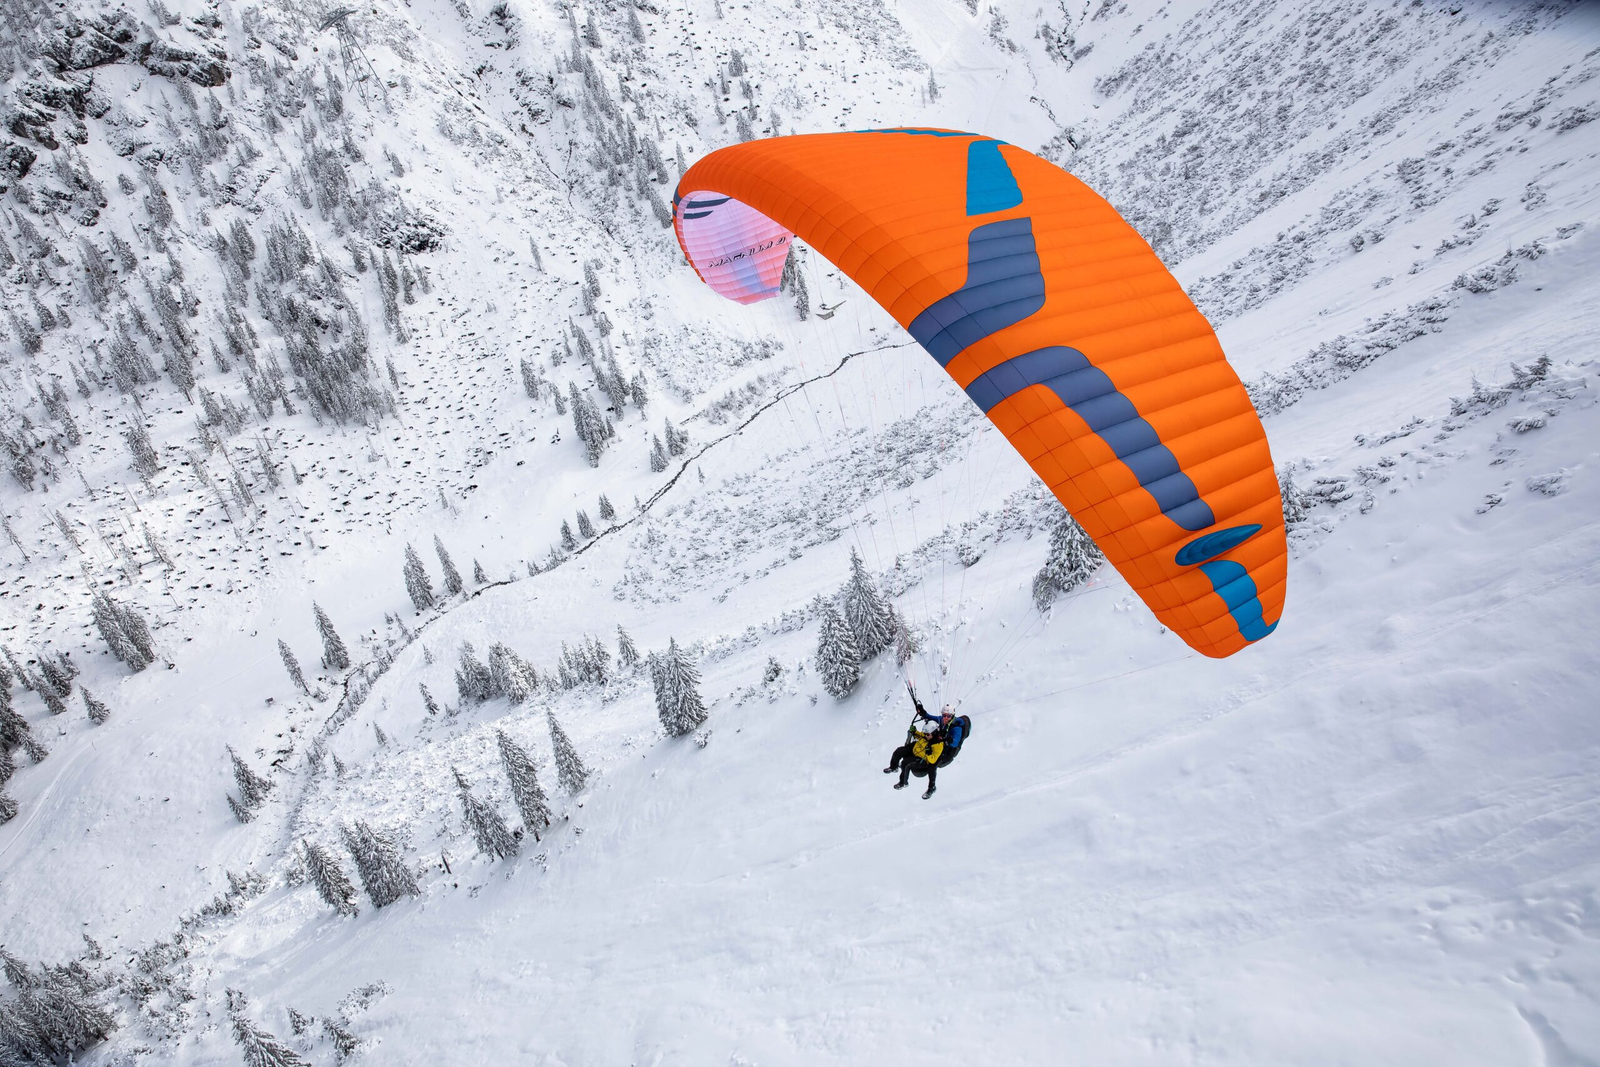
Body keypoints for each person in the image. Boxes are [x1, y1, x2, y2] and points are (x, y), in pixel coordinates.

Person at [882, 684, 955, 799]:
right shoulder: (934, 727)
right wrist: (915, 731)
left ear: (952, 716)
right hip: (918, 749)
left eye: (948, 716)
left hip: (926, 756)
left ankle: (908, 783)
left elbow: (934, 758)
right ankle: (893, 766)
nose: (945, 717)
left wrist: (947, 741)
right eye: (944, 715)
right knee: (898, 751)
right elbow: (926, 726)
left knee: (912, 763)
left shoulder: (949, 733)